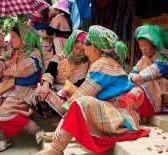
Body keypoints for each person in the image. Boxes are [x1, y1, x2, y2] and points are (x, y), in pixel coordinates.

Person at [37, 25, 149, 155]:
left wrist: (63, 122)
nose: (84, 51)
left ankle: (56, 148)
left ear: (94, 48)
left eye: (86, 47)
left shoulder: (101, 64)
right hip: (120, 113)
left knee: (81, 103)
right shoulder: (106, 61)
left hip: (121, 118)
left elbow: (81, 96)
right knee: (80, 103)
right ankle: (62, 135)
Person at [0, 22, 44, 151]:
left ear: (23, 38)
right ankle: (4, 138)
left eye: (13, 36)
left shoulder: (34, 54)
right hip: (6, 89)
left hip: (24, 92)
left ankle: (38, 131)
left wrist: (4, 69)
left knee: (5, 113)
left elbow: (21, 70)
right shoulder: (11, 53)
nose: (10, 39)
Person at [34, 30, 89, 120]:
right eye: (77, 48)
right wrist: (46, 85)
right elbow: (50, 71)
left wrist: (68, 97)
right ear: (71, 44)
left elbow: (80, 86)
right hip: (56, 88)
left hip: (73, 94)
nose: (78, 52)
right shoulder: (61, 56)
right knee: (42, 94)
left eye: (83, 50)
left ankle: (63, 121)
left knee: (67, 108)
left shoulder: (86, 63)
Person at [129, 25, 168, 118]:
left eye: (145, 45)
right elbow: (135, 69)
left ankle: (150, 110)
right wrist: (130, 76)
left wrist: (137, 78)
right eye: (140, 45)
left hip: (165, 95)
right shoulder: (144, 58)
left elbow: (153, 71)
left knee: (146, 83)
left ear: (154, 44)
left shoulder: (164, 58)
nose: (143, 49)